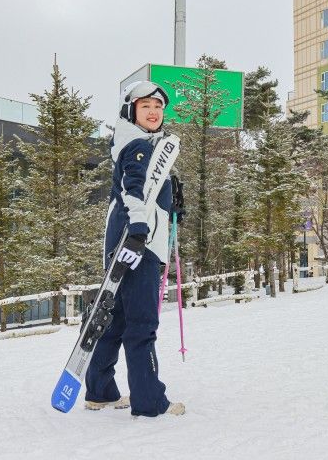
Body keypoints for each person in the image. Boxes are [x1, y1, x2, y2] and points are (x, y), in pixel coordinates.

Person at [84, 81, 185, 417]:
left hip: (123, 238)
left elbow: (144, 189)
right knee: (142, 323)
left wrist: (172, 202)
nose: (154, 112)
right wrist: (140, 230)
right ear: (132, 111)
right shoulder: (138, 145)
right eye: (146, 107)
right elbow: (133, 190)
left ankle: (100, 390)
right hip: (137, 241)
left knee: (117, 318)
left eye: (158, 107)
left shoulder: (137, 142)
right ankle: (149, 400)